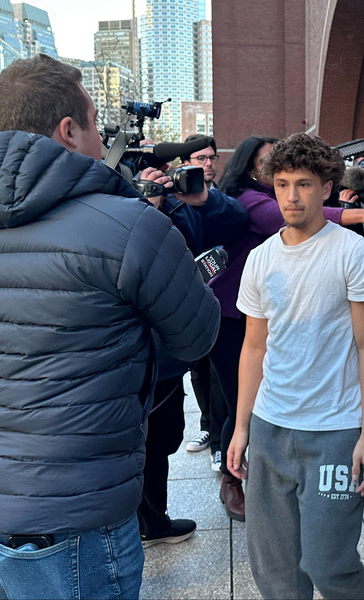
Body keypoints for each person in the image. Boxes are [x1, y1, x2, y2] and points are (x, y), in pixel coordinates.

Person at [0, 54, 219, 600]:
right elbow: (195, 338)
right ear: (69, 130)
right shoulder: (132, 225)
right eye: (94, 123)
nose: (101, 138)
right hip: (74, 509)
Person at [227, 133, 364, 600]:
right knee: (275, 574)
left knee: (328, 565)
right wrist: (240, 427)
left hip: (334, 431)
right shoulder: (259, 259)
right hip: (271, 427)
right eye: (283, 184)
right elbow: (254, 347)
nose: (292, 196)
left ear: (327, 188)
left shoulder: (350, 251)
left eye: (305, 184)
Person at [133, 141, 248, 546]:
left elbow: (234, 223)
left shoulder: (181, 204)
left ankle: (156, 521)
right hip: (125, 344)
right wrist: (142, 205)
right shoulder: (113, 200)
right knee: (131, 440)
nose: (159, 177)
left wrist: (196, 199)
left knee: (163, 435)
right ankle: (134, 524)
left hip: (168, 348)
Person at [181, 133, 231, 472]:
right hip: (188, 294)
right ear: (186, 163)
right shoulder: (176, 200)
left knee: (217, 370)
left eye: (211, 157)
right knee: (197, 368)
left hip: (221, 292)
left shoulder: (222, 198)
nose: (208, 163)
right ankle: (205, 427)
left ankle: (218, 439)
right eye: (201, 158)